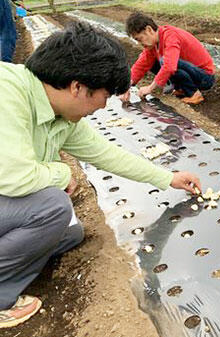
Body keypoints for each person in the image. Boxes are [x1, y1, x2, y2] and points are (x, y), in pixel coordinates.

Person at [0, 22, 201, 328]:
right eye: (104, 95)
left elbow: (105, 154)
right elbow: (14, 177)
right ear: (77, 86)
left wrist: (168, 178)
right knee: (52, 207)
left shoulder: (60, 112)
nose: (102, 107)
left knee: (70, 233)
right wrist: (62, 173)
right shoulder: (8, 93)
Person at [119, 12, 215, 105]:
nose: (139, 43)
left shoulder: (170, 35)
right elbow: (141, 65)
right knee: (151, 61)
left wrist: (150, 88)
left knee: (165, 61)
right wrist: (126, 88)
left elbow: (170, 66)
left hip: (204, 77)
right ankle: (181, 88)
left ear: (149, 29)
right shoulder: (153, 45)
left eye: (139, 39)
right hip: (191, 73)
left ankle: (194, 94)